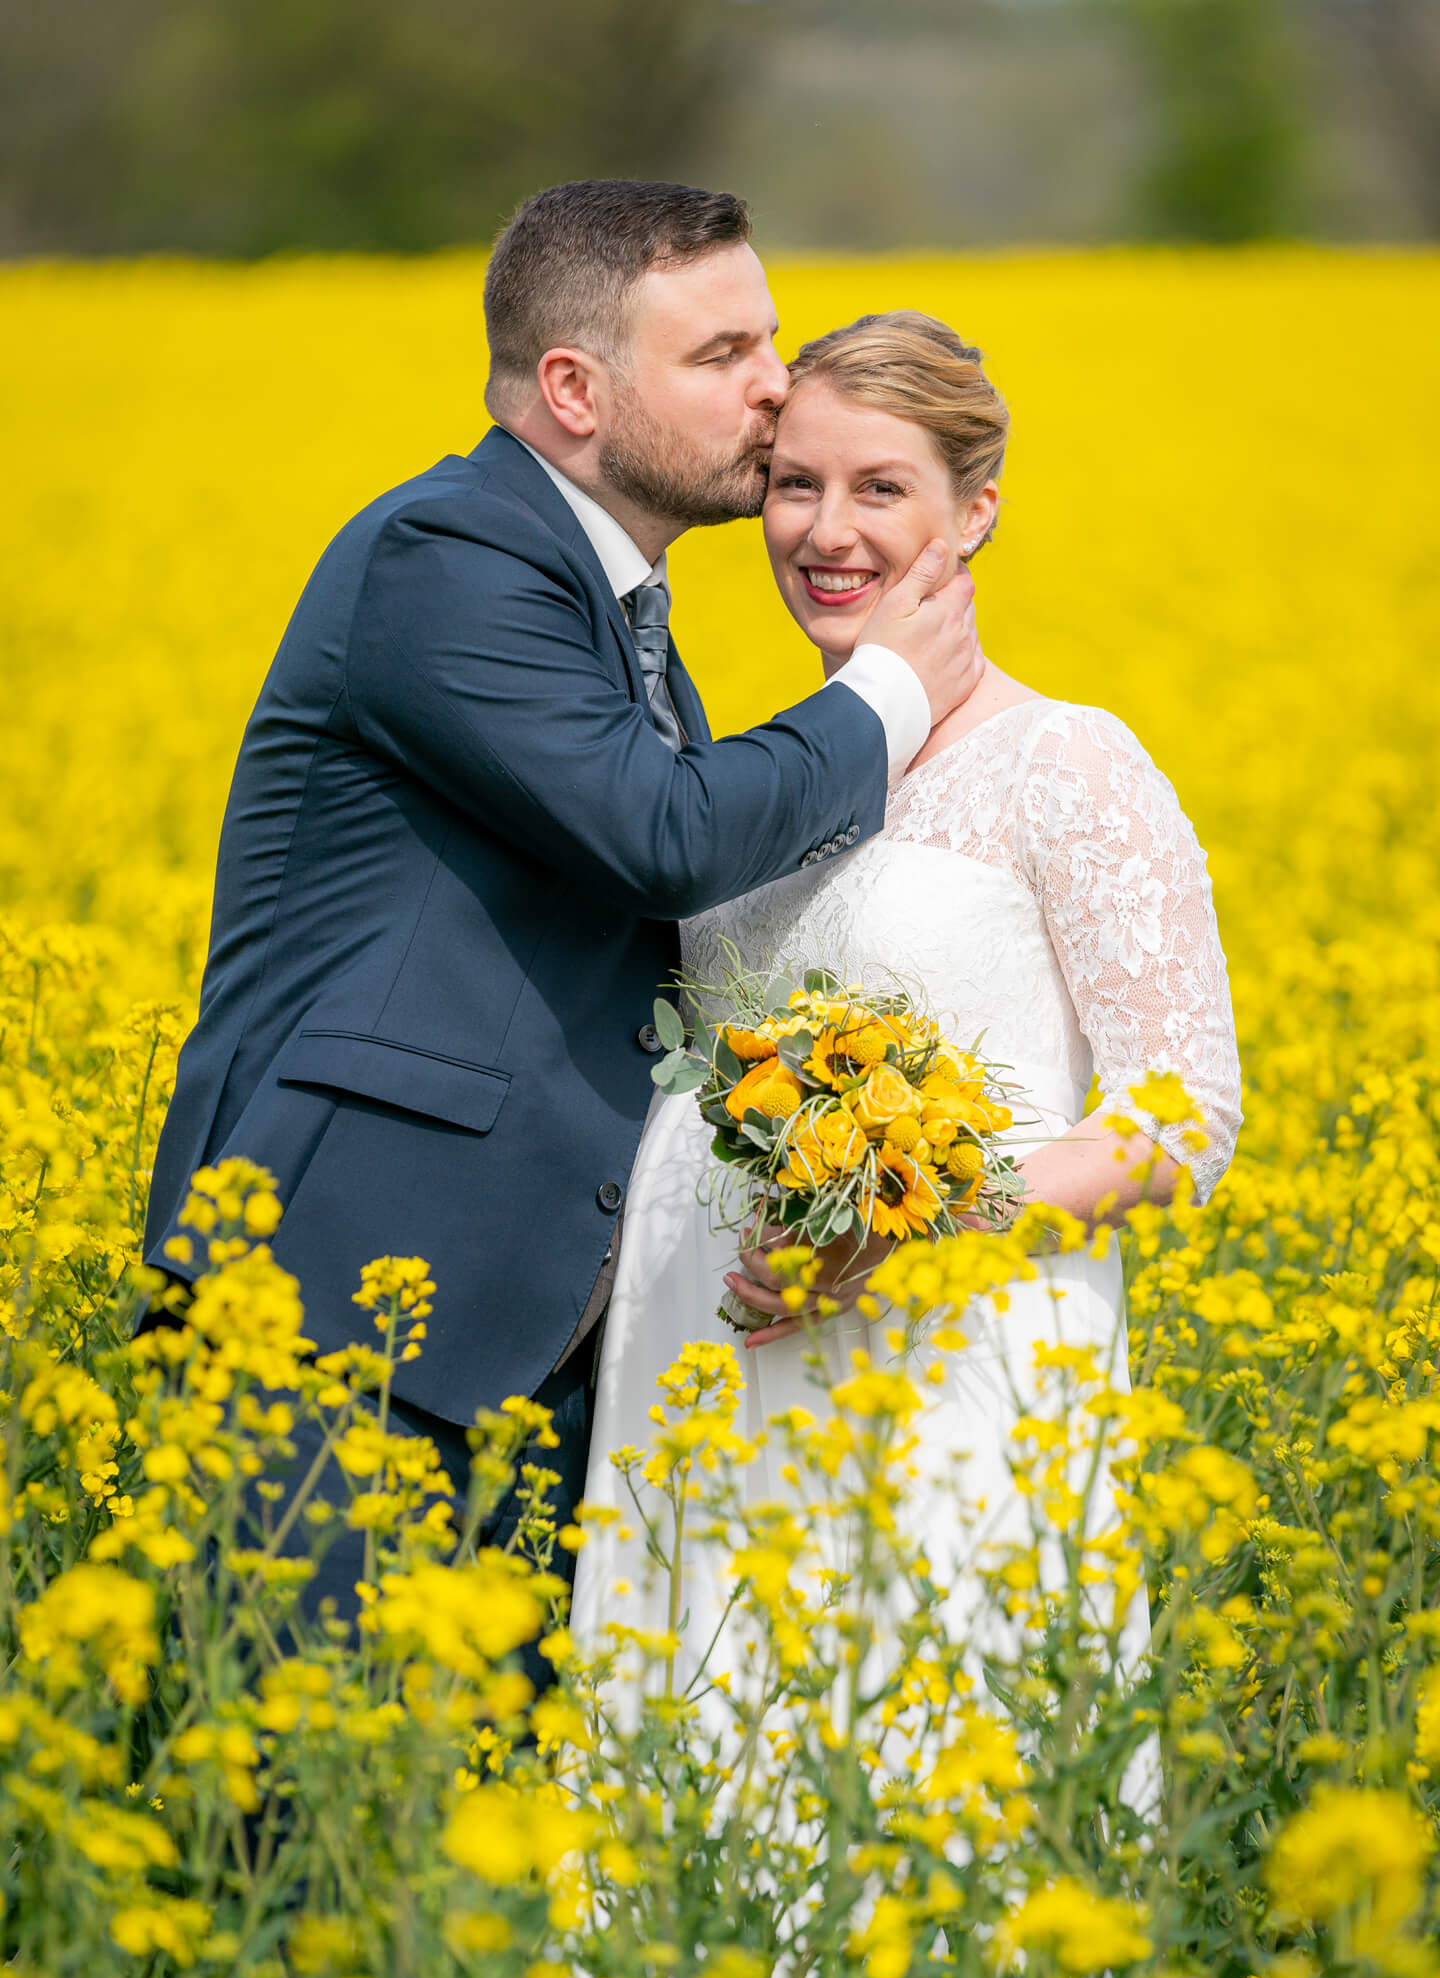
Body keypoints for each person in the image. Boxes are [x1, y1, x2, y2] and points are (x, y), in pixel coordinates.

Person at [141, 188, 982, 1616]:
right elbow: (661, 840)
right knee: (301, 1812)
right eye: (723, 353)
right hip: (335, 1313)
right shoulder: (451, 558)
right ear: (575, 389)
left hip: (511, 1344)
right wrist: (887, 692)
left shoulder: (620, 617)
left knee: (472, 1818)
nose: (776, 385)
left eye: (769, 339)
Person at [570, 311, 1243, 1693]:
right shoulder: (759, 772)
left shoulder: (1069, 764)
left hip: (950, 1377)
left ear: (976, 511)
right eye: (796, 483)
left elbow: (1181, 1123)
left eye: (881, 489)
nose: (827, 530)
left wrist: (909, 1214)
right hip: (708, 1370)